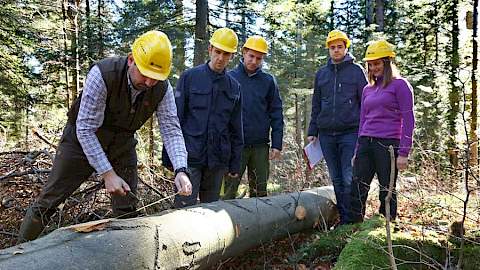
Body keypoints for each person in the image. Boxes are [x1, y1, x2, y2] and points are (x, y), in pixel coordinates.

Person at [17, 30, 192, 243]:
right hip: (80, 142)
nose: (147, 82)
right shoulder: (102, 74)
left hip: (122, 144)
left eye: (154, 78)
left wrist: (181, 169)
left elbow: (171, 130)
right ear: (131, 60)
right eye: (144, 73)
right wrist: (107, 174)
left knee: (127, 208)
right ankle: (19, 252)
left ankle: (126, 256)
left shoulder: (162, 90)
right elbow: (85, 129)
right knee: (49, 201)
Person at [168, 27, 243, 208]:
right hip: (190, 157)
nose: (220, 58)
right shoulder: (189, 78)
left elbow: (236, 128)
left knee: (210, 212)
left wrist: (235, 164)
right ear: (210, 49)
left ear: (232, 56)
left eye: (226, 54)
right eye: (217, 52)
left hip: (217, 160)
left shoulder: (234, 87)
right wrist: (170, 159)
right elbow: (175, 120)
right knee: (184, 209)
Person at [349, 40, 415, 223]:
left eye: (377, 63)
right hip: (365, 142)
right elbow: (363, 120)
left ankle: (386, 226)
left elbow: (409, 120)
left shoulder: (400, 85)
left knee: (387, 189)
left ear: (387, 63)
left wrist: (404, 152)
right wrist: (357, 150)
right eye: (370, 64)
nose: (373, 67)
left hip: (388, 145)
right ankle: (352, 227)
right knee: (357, 187)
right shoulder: (367, 89)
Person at [307, 30, 368, 225]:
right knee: (336, 179)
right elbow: (316, 103)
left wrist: (364, 131)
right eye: (332, 47)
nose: (336, 50)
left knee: (349, 176)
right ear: (328, 49)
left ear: (346, 47)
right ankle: (344, 219)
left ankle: (354, 218)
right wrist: (312, 131)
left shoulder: (356, 71)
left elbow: (366, 102)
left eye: (339, 47)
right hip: (326, 134)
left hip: (350, 132)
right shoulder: (322, 74)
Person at [223, 35, 284, 199]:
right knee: (227, 192)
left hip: (260, 146)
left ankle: (260, 223)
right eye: (251, 56)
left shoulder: (268, 81)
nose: (254, 61)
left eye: (259, 58)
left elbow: (276, 113)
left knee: (260, 192)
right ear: (243, 53)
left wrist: (277, 143)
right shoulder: (229, 78)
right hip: (235, 147)